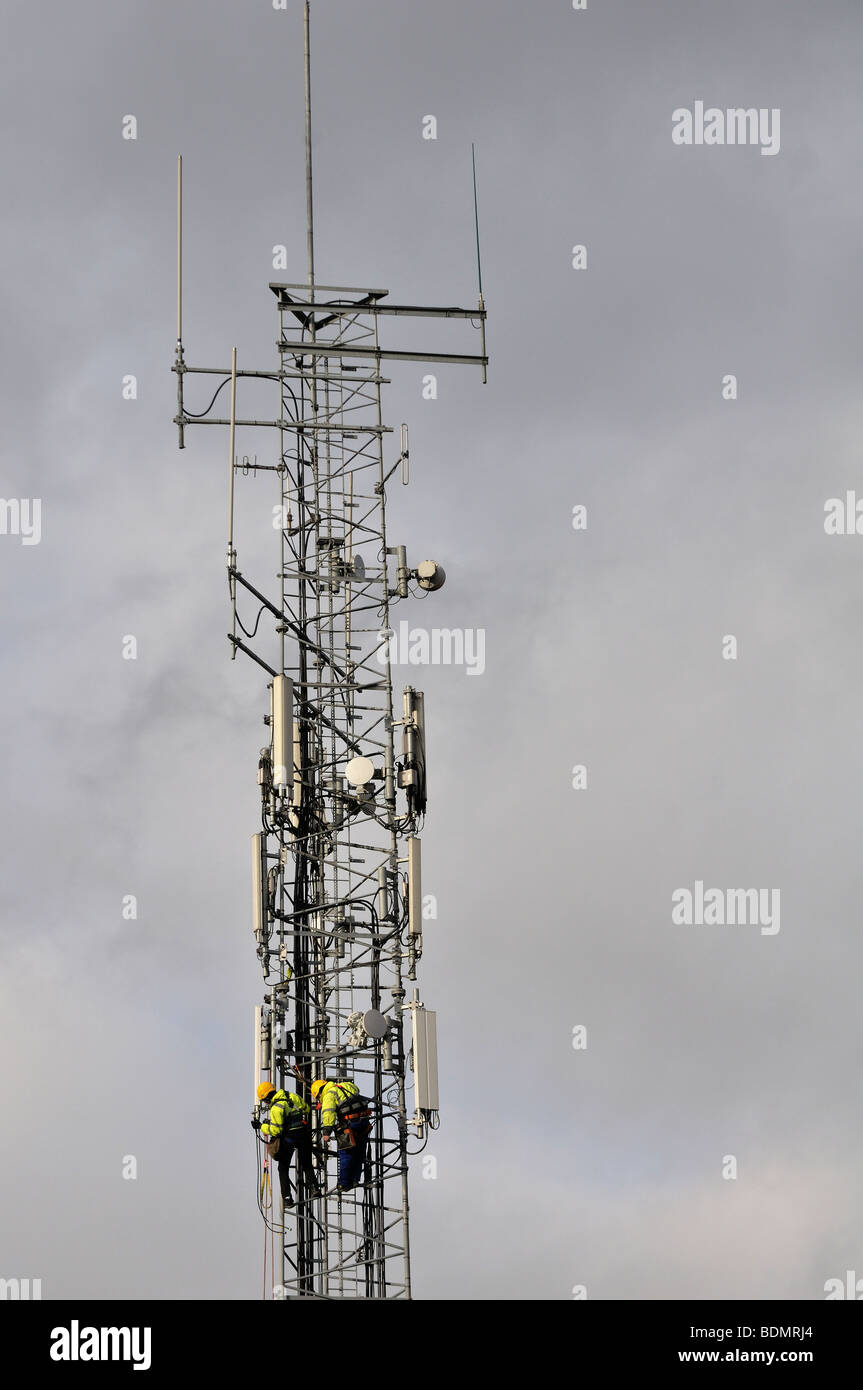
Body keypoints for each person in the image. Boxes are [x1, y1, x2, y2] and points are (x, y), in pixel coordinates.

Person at [253, 1082, 320, 1208]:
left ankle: (288, 1199)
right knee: (306, 1163)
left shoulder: (276, 1108)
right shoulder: (291, 1096)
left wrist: (262, 1126)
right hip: (303, 1134)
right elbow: (306, 1108)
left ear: (267, 1098)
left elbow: (276, 1131)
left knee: (282, 1168)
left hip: (289, 1139)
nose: (266, 1104)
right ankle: (314, 1188)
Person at [311, 1079, 371, 1193]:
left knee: (346, 1154)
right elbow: (357, 1091)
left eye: (319, 1098)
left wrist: (327, 1133)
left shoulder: (329, 1095)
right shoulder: (347, 1085)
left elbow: (328, 1113)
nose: (320, 1100)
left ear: (319, 1093)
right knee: (359, 1153)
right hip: (364, 1123)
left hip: (351, 1125)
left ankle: (343, 1183)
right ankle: (355, 1179)